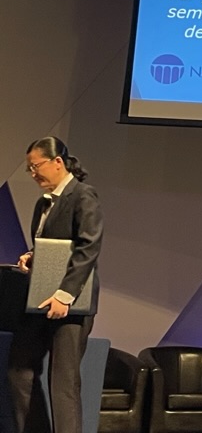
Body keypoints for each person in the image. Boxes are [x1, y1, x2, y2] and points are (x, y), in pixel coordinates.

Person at [8, 136, 103, 433]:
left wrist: (65, 295)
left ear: (57, 162)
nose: (33, 173)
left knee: (63, 383)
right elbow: (52, 246)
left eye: (35, 166)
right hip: (40, 298)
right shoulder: (43, 203)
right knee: (19, 371)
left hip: (71, 304)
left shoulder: (83, 195)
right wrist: (32, 256)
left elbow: (88, 247)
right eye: (29, 168)